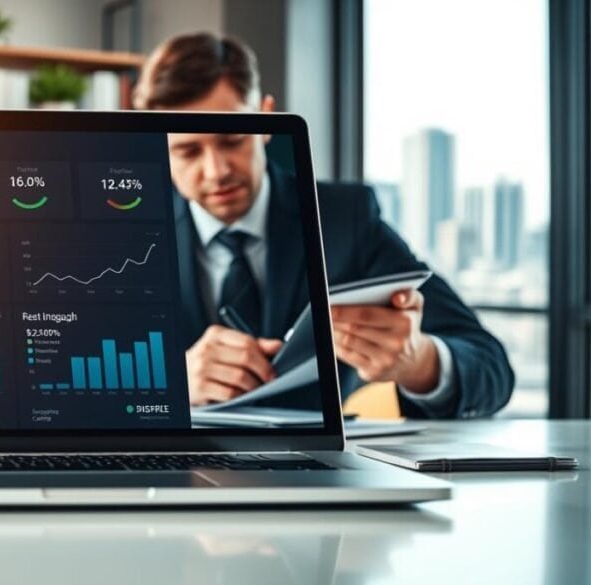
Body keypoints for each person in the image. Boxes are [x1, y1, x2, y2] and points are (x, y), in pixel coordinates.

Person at [134, 32, 514, 418]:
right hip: (176, 468)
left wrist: (418, 361)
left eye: (232, 140)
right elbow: (74, 384)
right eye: (187, 151)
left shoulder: (342, 218)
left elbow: (491, 367)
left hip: (315, 467)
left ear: (266, 119)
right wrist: (169, 381)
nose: (216, 172)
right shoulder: (127, 233)